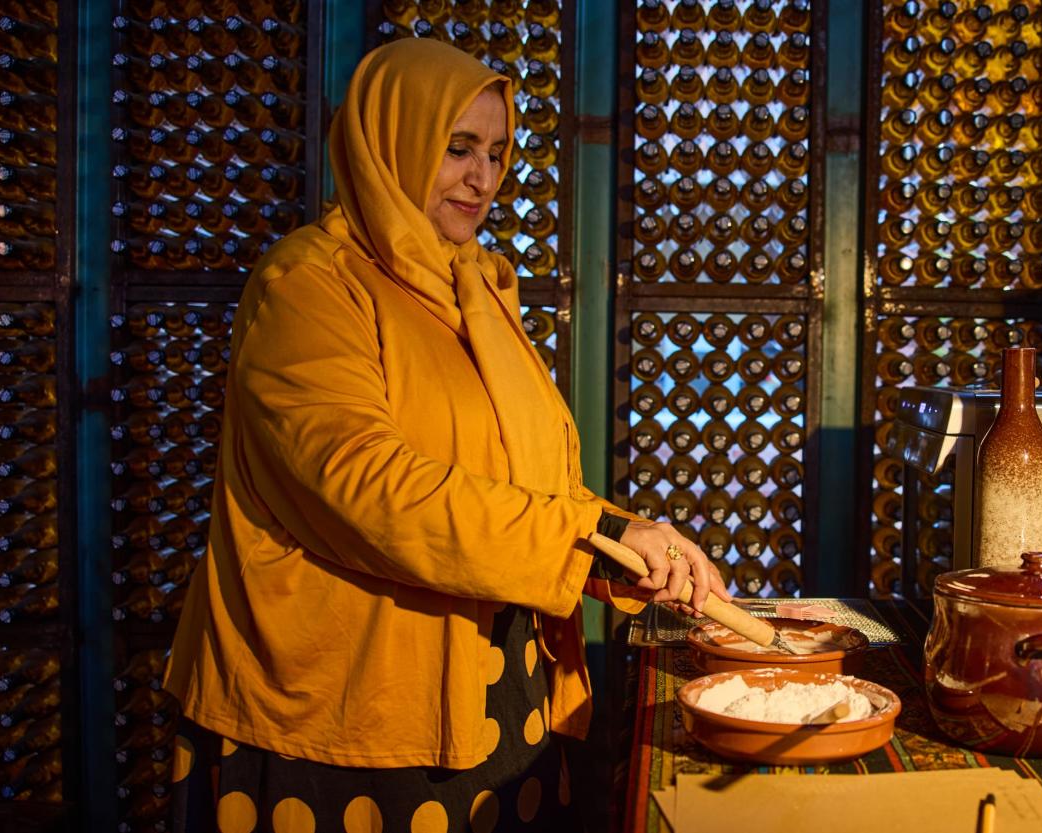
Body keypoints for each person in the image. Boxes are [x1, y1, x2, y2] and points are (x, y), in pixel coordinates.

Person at [163, 38, 729, 832]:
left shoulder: (475, 286)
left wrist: (619, 546)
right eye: (457, 149)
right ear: (385, 140)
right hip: (346, 719)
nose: (483, 178)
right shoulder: (309, 286)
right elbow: (368, 489)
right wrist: (579, 539)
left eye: (497, 154)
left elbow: (530, 481)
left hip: (495, 690)